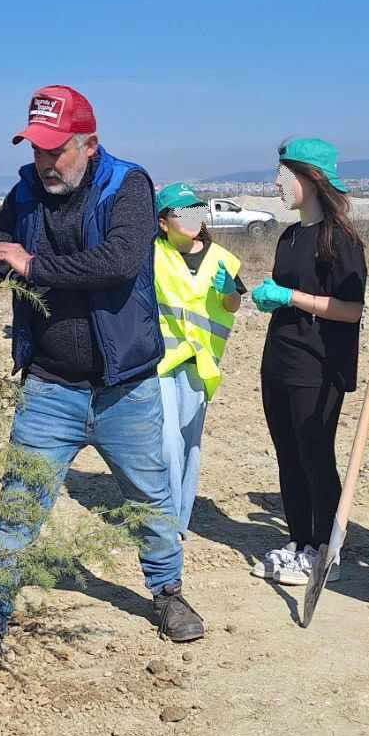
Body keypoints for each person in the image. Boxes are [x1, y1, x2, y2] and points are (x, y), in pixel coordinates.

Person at [0, 85, 203, 681]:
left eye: (56, 150)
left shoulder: (128, 186)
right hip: (50, 389)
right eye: (37, 149)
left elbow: (117, 262)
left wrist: (33, 266)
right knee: (16, 511)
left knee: (151, 501)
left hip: (124, 387)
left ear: (89, 143)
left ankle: (167, 591)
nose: (45, 161)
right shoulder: (26, 194)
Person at [250, 138, 367, 588]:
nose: (277, 183)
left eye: (284, 175)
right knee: (287, 455)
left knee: (315, 455)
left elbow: (351, 309)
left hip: (319, 366)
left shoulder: (339, 239)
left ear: (310, 179)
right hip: (279, 358)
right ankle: (299, 542)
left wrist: (292, 297)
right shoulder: (290, 235)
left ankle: (324, 549)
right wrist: (271, 300)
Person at [151, 183, 244, 535]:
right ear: (163, 222)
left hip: (201, 364)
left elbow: (233, 305)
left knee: (189, 443)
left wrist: (229, 291)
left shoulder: (222, 258)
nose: (193, 219)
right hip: (160, 362)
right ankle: (167, 520)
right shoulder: (151, 254)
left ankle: (180, 520)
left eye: (197, 211)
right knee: (166, 441)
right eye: (183, 212)